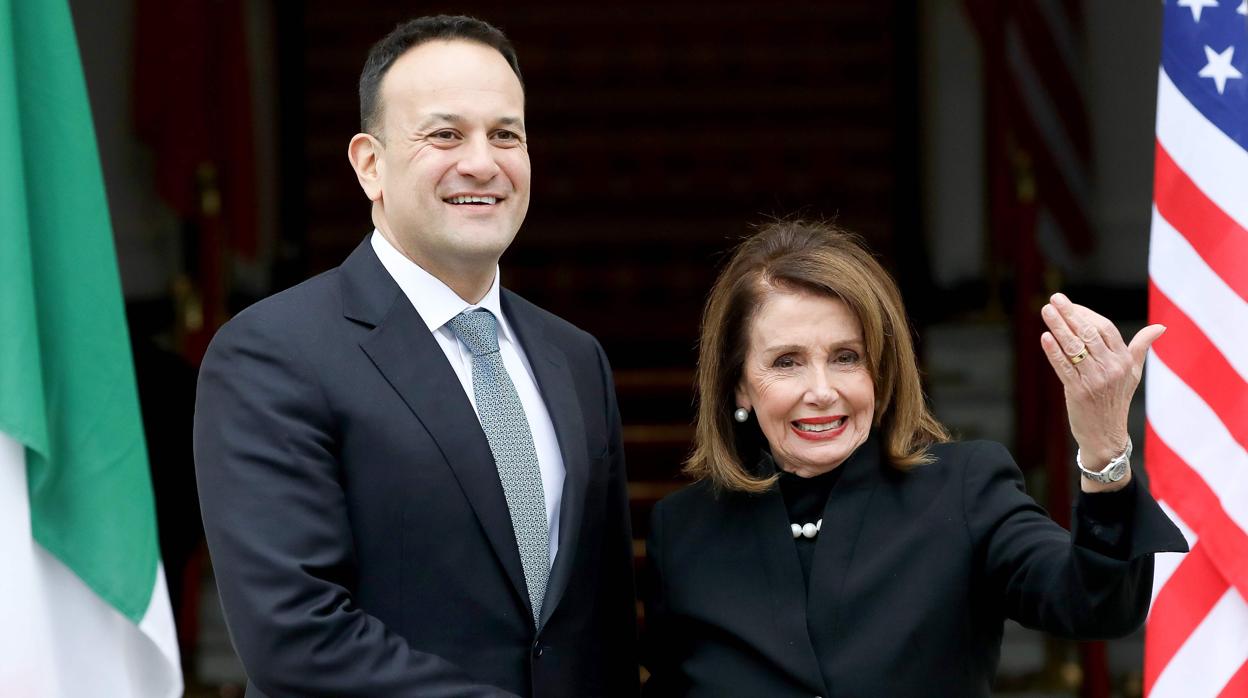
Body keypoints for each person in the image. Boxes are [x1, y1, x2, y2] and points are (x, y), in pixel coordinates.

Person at [193, 16, 637, 697]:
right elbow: (296, 636)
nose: (483, 163)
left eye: (506, 134)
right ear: (369, 164)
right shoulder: (272, 354)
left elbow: (600, 628)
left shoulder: (574, 359)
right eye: (445, 134)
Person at [640, 220, 1188, 697]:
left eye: (847, 357)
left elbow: (1094, 604)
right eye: (787, 362)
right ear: (738, 385)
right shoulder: (685, 531)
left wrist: (1104, 449)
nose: (823, 389)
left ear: (881, 369)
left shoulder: (964, 490)